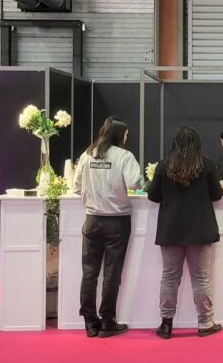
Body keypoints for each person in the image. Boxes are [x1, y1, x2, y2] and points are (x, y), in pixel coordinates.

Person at [147, 126, 223, 339]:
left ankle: (166, 324)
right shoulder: (206, 165)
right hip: (200, 229)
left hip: (171, 229)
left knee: (170, 277)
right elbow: (217, 194)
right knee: (201, 278)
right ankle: (205, 322)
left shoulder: (164, 165)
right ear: (197, 144)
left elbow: (153, 196)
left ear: (175, 143)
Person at [73, 116, 143, 338]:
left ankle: (89, 322)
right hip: (117, 221)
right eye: (126, 134)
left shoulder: (87, 154)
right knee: (112, 274)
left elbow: (76, 186)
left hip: (92, 219)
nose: (126, 138)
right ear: (119, 134)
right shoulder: (124, 156)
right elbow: (135, 183)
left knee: (89, 273)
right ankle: (107, 321)